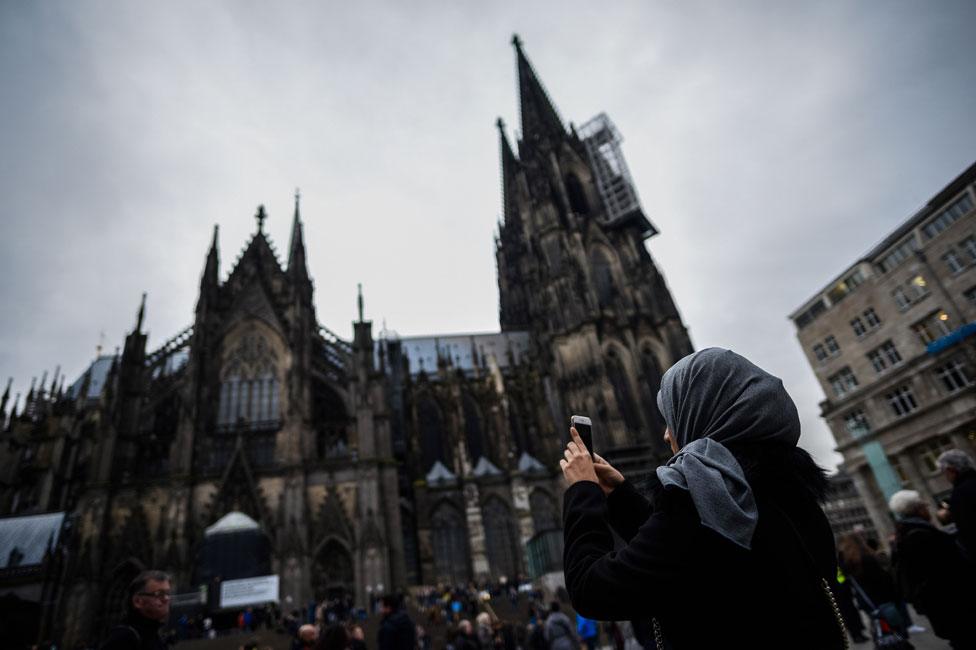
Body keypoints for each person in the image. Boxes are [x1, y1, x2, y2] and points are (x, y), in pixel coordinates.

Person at [560, 348, 844, 649]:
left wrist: (583, 492)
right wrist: (620, 497)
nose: (667, 435)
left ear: (704, 412)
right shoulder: (788, 493)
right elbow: (697, 557)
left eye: (673, 417)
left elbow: (591, 590)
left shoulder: (699, 504)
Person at [889, 489, 976, 648]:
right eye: (924, 505)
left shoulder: (907, 534)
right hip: (952, 605)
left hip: (943, 607)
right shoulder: (918, 535)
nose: (927, 507)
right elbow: (945, 572)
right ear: (916, 509)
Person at [98, 570, 172, 650]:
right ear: (137, 601)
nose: (166, 599)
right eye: (158, 594)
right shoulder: (124, 638)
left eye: (167, 593)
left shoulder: (154, 635)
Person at [937, 449, 976, 559]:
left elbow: (968, 531)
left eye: (945, 473)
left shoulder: (960, 494)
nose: (946, 477)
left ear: (951, 470)